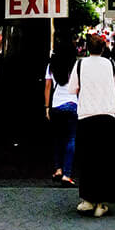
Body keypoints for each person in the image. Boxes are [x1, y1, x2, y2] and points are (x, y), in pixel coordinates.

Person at [68, 34, 115, 218]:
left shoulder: (80, 64)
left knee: (88, 159)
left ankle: (88, 200)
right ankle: (102, 203)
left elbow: (72, 88)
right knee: (105, 160)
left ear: (88, 49)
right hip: (107, 117)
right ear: (103, 48)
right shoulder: (110, 64)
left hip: (86, 117)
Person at [45, 41, 77, 186]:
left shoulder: (51, 66)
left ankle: (58, 169)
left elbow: (47, 87)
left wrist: (47, 107)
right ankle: (67, 174)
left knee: (58, 139)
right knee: (71, 139)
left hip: (56, 105)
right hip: (72, 104)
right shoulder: (75, 66)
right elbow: (79, 87)